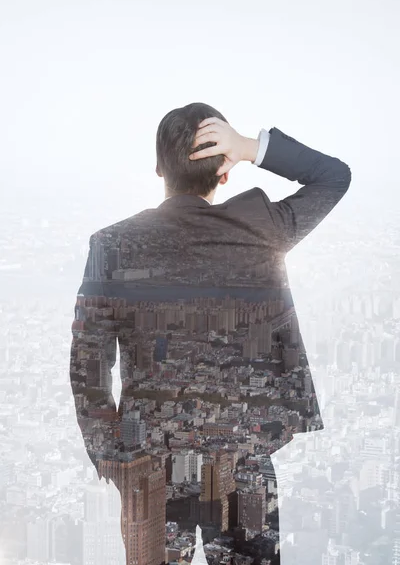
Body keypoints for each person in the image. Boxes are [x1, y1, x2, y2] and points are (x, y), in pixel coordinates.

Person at [70, 102, 351, 565]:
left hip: (149, 467)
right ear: (224, 173)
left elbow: (88, 368)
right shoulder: (261, 230)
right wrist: (249, 148)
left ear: (159, 168)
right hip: (242, 464)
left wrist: (114, 459)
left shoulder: (112, 246)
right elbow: (333, 177)